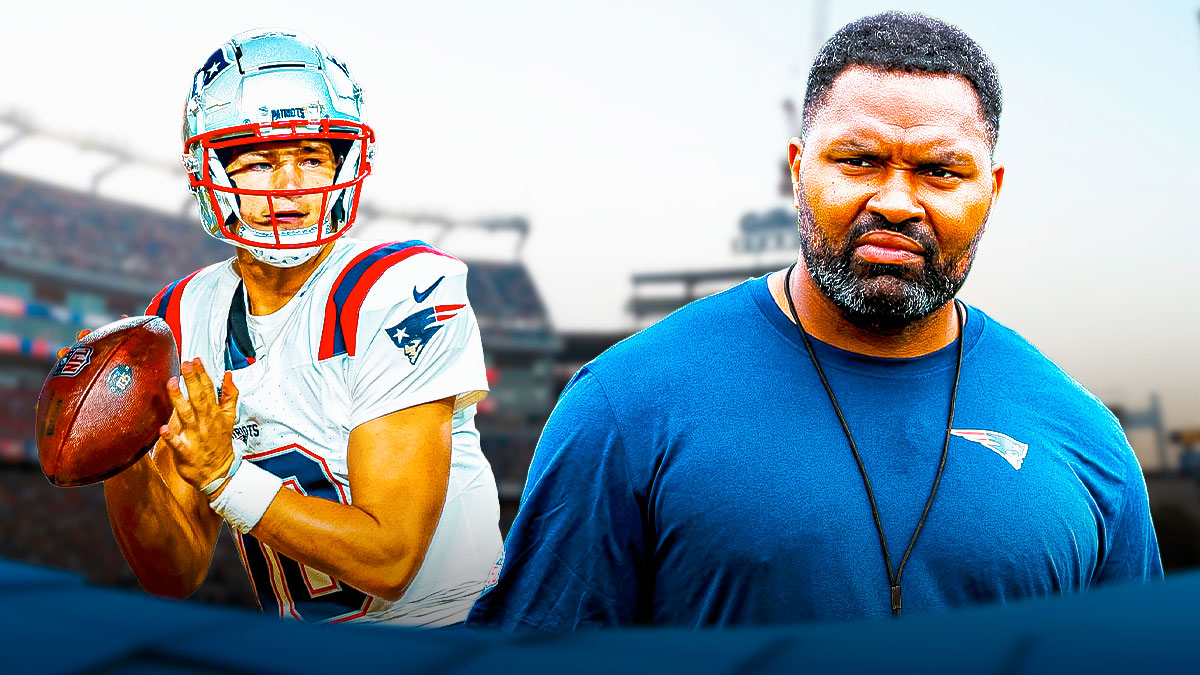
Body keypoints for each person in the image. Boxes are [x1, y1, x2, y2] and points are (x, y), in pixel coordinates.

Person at [468, 11, 1162, 630]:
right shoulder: (626, 406)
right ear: (799, 170)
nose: (895, 200)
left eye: (940, 172)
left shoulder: (1087, 443)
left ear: (992, 189)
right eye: (858, 160)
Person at [95, 28, 502, 627]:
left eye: (311, 157)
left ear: (345, 161)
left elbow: (391, 560)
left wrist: (222, 476)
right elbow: (173, 575)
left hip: (456, 635)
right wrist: (120, 450)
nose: (291, 187)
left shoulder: (400, 290)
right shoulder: (180, 314)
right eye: (259, 162)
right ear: (211, 171)